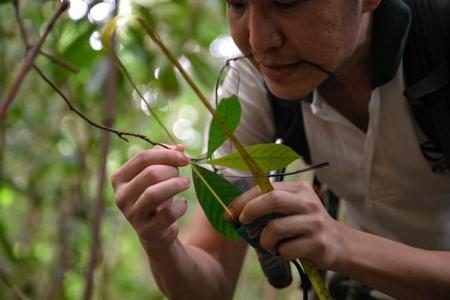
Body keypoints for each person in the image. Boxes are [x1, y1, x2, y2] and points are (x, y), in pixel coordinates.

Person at [110, 0, 450, 299]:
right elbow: (212, 283)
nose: (258, 42)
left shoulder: (438, 39)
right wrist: (160, 244)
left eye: (287, 2)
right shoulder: (252, 83)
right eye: (237, 5)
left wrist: (342, 245)